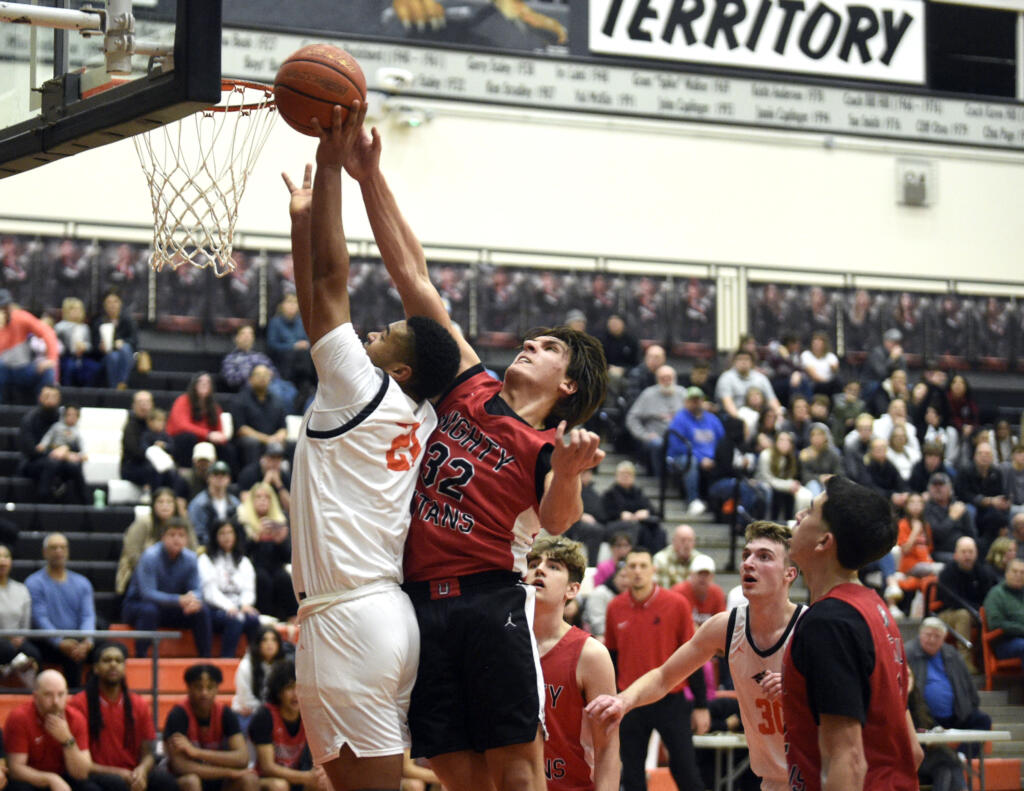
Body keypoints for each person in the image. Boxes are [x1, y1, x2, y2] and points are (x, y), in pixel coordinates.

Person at [341, 107, 607, 791]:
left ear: (568, 382)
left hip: (491, 601)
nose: (532, 343)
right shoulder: (469, 384)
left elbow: (555, 520)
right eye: (535, 337)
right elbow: (413, 274)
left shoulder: (548, 445)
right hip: (421, 601)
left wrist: (573, 473)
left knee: (518, 773)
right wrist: (370, 177)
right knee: (456, 774)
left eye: (549, 347)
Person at [282, 103, 463, 791]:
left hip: (349, 620)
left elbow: (330, 288)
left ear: (402, 368)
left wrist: (330, 171)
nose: (369, 337)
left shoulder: (363, 388)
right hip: (377, 613)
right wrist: (306, 221)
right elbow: (318, 300)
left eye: (383, 336)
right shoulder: (417, 414)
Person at [587, 521, 805, 791]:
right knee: (633, 776)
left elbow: (856, 702)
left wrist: (801, 687)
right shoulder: (725, 626)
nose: (749, 563)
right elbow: (664, 675)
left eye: (764, 557)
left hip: (822, 777)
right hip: (772, 781)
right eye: (746, 554)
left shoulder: (813, 627)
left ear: (789, 574)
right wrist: (624, 700)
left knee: (686, 773)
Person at [782, 476, 922, 790]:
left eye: (810, 511)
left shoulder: (828, 623)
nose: (800, 517)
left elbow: (848, 760)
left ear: (823, 542)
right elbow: (913, 752)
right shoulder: (877, 609)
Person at [601, 548, 706, 791]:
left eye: (643, 566)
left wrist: (701, 705)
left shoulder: (676, 604)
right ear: (625, 571)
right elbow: (612, 658)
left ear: (653, 570)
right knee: (632, 775)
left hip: (670, 699)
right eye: (633, 566)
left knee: (685, 770)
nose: (637, 572)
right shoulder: (615, 607)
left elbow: (693, 656)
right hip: (631, 701)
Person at [525, 537, 619, 791]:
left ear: (573, 589)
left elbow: (607, 747)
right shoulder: (499, 645)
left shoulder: (591, 655)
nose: (539, 569)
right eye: (533, 563)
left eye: (553, 567)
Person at [68, 643, 178, 791]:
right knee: (114, 785)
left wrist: (141, 771)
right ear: (96, 668)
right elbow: (81, 763)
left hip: (131, 772)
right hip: (95, 773)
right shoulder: (79, 703)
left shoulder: (138, 704)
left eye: (119, 661)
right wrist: (120, 773)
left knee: (165, 781)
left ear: (124, 668)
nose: (113, 664)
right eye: (107, 660)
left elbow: (148, 753)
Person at [121, 520, 212, 658]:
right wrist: (179, 600)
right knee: (149, 610)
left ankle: (205, 659)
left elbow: (197, 589)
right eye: (172, 535)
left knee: (201, 610)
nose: (177, 539)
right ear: (163, 537)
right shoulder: (150, 556)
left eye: (181, 535)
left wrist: (193, 600)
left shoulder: (191, 558)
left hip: (172, 608)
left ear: (187, 539)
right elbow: (147, 594)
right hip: (138, 606)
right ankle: (141, 656)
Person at [904, 618, 991, 759]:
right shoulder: (908, 652)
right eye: (928, 635)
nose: (932, 639)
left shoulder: (952, 654)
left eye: (937, 636)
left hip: (956, 714)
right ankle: (936, 761)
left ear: (944, 639)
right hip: (924, 718)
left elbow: (968, 685)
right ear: (920, 634)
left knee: (982, 720)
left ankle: (962, 755)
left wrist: (970, 706)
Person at [162, 664, 257, 791]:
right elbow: (180, 766)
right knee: (191, 781)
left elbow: (242, 758)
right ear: (188, 688)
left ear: (217, 689)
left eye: (210, 687)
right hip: (185, 779)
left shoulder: (225, 713)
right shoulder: (178, 715)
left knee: (249, 779)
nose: (204, 693)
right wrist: (227, 772)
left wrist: (197, 752)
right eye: (198, 687)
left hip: (219, 779)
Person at [5, 670, 97, 791]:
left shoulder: (76, 718)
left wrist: (67, 740)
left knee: (92, 787)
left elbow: (82, 773)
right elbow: (15, 769)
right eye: (48, 695)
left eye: (61, 694)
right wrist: (51, 779)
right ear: (36, 696)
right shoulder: (20, 717)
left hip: (65, 775)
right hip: (31, 779)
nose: (55, 702)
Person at [25, 534, 95, 687]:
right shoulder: (34, 582)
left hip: (76, 640)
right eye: (53, 548)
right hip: (47, 642)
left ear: (68, 551)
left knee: (108, 651)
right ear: (45, 552)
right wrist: (59, 642)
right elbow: (40, 618)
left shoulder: (82, 583)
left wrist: (87, 641)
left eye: (63, 547)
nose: (58, 551)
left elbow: (88, 615)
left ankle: (86, 702)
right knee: (68, 654)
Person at [248, 660, 317, 791]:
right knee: (279, 786)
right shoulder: (264, 716)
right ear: (278, 691)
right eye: (290, 688)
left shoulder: (309, 716)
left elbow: (318, 762)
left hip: (295, 776)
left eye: (300, 687)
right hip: (262, 779)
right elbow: (267, 767)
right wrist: (307, 777)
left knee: (323, 783)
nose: (296, 694)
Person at [116, 488, 198, 596]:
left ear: (175, 505)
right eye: (160, 502)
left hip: (178, 574)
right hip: (142, 573)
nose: (165, 506)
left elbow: (193, 549)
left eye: (169, 502)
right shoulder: (143, 523)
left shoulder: (183, 524)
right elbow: (132, 553)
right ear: (153, 505)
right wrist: (153, 571)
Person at [198, 520, 261, 660]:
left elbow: (249, 588)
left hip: (239, 606)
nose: (227, 537)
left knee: (253, 619)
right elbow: (209, 592)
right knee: (235, 620)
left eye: (230, 533)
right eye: (222, 533)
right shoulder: (206, 559)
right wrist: (230, 607)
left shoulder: (244, 561)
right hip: (215, 608)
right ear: (215, 536)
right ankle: (227, 659)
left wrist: (245, 604)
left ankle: (255, 660)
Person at [235, 484, 294, 623]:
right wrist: (255, 538)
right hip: (252, 566)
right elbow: (239, 553)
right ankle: (265, 619)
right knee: (262, 579)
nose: (263, 500)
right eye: (259, 497)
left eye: (267, 497)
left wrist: (281, 541)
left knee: (284, 578)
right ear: (252, 500)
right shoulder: (242, 520)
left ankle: (291, 618)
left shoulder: (281, 520)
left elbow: (289, 557)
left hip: (276, 567)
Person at [665, 386, 724, 514]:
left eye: (698, 400)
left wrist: (715, 458)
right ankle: (693, 500)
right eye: (692, 400)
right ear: (686, 402)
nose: (696, 403)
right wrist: (701, 458)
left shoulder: (712, 419)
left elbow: (722, 441)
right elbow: (678, 446)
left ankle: (718, 507)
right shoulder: (679, 419)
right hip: (681, 457)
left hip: (711, 458)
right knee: (690, 461)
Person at [624, 365, 685, 478]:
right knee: (658, 444)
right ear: (657, 379)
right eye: (663, 378)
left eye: (669, 377)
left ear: (675, 378)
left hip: (679, 437)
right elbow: (631, 418)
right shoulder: (648, 394)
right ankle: (660, 478)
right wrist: (644, 435)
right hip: (657, 437)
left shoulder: (683, 393)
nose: (666, 381)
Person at [0, 288, 59, 403]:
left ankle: (41, 412)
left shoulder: (20, 317)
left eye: (6, 307)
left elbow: (47, 332)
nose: (5, 311)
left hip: (23, 369)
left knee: (48, 371)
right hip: (2, 369)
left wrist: (51, 358)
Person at [167, 373, 231, 470]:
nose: (204, 384)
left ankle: (225, 476)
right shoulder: (183, 401)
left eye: (208, 382)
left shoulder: (214, 407)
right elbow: (181, 426)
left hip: (205, 441)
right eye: (201, 382)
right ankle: (186, 471)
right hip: (184, 441)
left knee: (227, 448)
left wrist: (220, 438)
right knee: (188, 438)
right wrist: (207, 434)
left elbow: (219, 430)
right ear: (194, 385)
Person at [231, 366, 290, 470]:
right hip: (252, 441)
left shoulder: (278, 401)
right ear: (250, 379)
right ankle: (251, 479)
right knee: (251, 443)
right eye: (258, 375)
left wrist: (279, 436)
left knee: (292, 445)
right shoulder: (240, 399)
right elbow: (241, 429)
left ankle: (290, 481)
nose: (262, 378)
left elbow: (283, 428)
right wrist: (267, 439)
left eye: (266, 375)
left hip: (272, 440)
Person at [232, 627, 287, 733]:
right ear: (258, 644)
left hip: (275, 715)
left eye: (274, 640)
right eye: (265, 640)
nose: (269, 644)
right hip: (248, 715)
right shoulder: (246, 665)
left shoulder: (283, 667)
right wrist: (270, 712)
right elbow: (246, 702)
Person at [599, 462, 663, 552]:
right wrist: (620, 515)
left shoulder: (638, 493)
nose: (625, 476)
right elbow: (603, 514)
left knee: (657, 530)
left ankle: (655, 557)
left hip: (638, 524)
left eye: (628, 474)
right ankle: (632, 556)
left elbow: (652, 509)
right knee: (635, 527)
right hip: (616, 524)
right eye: (622, 474)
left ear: (633, 477)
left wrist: (646, 512)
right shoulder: (609, 494)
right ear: (616, 476)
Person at [32, 403, 88, 505]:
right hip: (53, 455)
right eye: (69, 414)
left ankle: (83, 500)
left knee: (75, 467)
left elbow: (82, 449)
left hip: (68, 459)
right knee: (52, 463)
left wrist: (78, 455)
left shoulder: (77, 433)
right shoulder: (56, 427)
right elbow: (48, 437)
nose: (71, 418)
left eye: (74, 415)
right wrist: (43, 445)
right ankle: (43, 495)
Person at [0, 543, 39, 686]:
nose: (2, 561)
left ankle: (32, 692)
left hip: (18, 641)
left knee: (33, 654)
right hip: (2, 642)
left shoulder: (21, 589)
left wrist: (20, 638)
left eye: (6, 557)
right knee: (6, 649)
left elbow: (25, 624)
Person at [714, 349, 781, 421]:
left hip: (759, 416)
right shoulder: (726, 378)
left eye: (746, 359)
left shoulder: (760, 378)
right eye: (740, 359)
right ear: (734, 362)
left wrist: (779, 414)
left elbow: (771, 399)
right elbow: (727, 403)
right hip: (734, 417)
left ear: (752, 362)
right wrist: (741, 421)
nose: (743, 362)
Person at [924, 473, 976, 564]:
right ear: (929, 489)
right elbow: (936, 535)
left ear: (949, 488)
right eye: (934, 485)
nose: (938, 488)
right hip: (939, 552)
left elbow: (971, 533)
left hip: (962, 550)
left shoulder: (959, 506)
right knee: (958, 561)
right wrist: (952, 518)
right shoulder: (926, 509)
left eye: (941, 485)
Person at [92, 288, 137, 389]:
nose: (112, 305)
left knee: (125, 348)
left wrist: (123, 342)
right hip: (106, 355)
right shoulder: (98, 322)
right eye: (109, 302)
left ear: (120, 303)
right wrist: (100, 347)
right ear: (104, 305)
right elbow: (94, 346)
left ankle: (122, 383)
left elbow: (134, 341)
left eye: (115, 302)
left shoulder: (128, 320)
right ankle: (115, 388)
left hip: (126, 354)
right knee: (113, 357)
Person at [981, 556, 1024, 662]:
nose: (1018, 575)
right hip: (1006, 642)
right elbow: (996, 624)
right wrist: (1021, 630)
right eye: (1015, 571)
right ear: (1006, 573)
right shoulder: (996, 594)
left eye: (1022, 572)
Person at [187, 462, 240, 546]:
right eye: (215, 474)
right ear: (208, 478)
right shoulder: (198, 503)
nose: (219, 478)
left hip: (232, 548)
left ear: (229, 479)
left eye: (223, 475)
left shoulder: (235, 503)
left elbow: (238, 529)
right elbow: (197, 531)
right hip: (206, 548)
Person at [54, 297, 100, 388]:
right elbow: (57, 345)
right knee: (69, 367)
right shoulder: (60, 327)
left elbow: (89, 345)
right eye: (73, 309)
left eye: (78, 309)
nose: (76, 312)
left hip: (82, 357)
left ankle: (88, 393)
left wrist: (84, 347)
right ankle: (67, 390)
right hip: (66, 356)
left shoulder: (84, 327)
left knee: (94, 367)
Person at [652, 524, 712, 589]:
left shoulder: (700, 560)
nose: (687, 544)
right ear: (674, 541)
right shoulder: (660, 559)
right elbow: (660, 591)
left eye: (690, 540)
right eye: (683, 540)